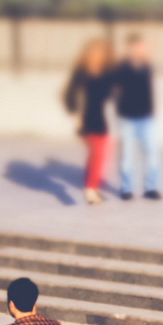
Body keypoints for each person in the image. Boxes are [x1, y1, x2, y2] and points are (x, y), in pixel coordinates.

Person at [63, 38, 115, 205]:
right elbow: (70, 94)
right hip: (86, 119)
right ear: (88, 53)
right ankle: (90, 191)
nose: (97, 55)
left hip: (100, 119)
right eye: (95, 52)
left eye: (100, 53)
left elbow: (111, 94)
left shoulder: (106, 73)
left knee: (99, 155)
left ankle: (92, 188)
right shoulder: (81, 73)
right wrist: (76, 115)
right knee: (97, 154)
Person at [112, 34, 161, 201]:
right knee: (127, 155)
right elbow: (115, 89)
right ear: (131, 48)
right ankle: (126, 189)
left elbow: (150, 90)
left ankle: (151, 188)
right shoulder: (122, 67)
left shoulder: (148, 66)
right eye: (138, 47)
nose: (141, 50)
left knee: (153, 153)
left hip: (146, 118)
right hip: (128, 118)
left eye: (143, 47)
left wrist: (153, 110)